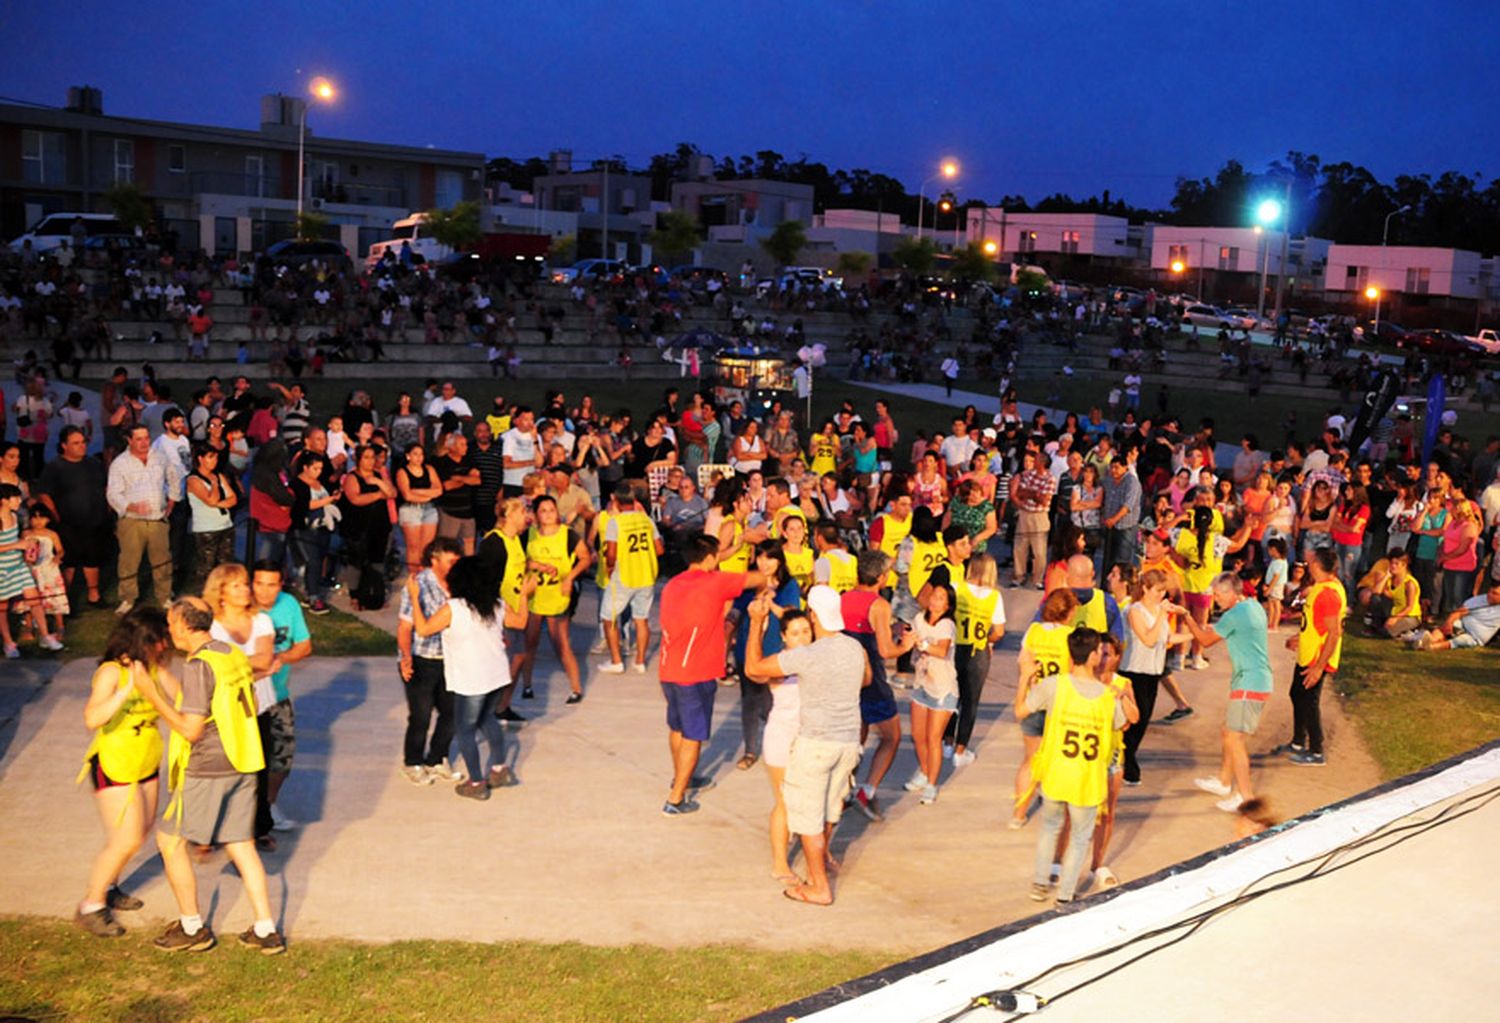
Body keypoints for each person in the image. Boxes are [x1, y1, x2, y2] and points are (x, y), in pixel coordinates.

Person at [130, 597, 285, 955]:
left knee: (169, 842)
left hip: (209, 767)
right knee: (241, 845)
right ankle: (266, 930)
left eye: (170, 623)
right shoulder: (227, 653)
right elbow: (204, 699)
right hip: (243, 760)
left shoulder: (199, 664)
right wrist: (160, 677)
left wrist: (151, 694)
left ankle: (192, 926)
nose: (168, 629)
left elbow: (191, 728)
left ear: (184, 625)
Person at [743, 585, 869, 907]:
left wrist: (756, 623)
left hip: (815, 744)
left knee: (807, 818)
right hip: (849, 742)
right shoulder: (854, 648)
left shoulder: (807, 656)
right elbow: (866, 678)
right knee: (829, 811)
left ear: (813, 616)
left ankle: (818, 887)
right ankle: (818, 869)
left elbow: (754, 669)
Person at [74, 608, 174, 937]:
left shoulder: (155, 668)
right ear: (145, 639)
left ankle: (110, 885)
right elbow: (92, 719)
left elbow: (180, 697)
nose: (165, 645)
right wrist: (127, 689)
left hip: (146, 760)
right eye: (161, 638)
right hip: (114, 764)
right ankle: (91, 904)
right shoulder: (111, 672)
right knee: (126, 838)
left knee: (139, 833)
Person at [405, 555, 535, 799]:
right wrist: (524, 595)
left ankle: (476, 783)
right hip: (497, 675)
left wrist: (414, 596)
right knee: (487, 720)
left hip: (471, 679)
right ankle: (499, 769)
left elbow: (422, 630)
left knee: (465, 729)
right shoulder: (495, 604)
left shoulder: (454, 608)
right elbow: (520, 621)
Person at [656, 534, 762, 815]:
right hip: (697, 671)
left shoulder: (673, 585)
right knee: (694, 734)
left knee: (677, 728)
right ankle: (676, 798)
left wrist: (733, 547)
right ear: (710, 558)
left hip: (669, 668)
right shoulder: (716, 582)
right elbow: (755, 578)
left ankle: (682, 776)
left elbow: (711, 562)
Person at [1021, 628, 1126, 904]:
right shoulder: (1106, 696)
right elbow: (1121, 724)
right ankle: (1066, 895)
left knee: (1050, 828)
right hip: (1087, 779)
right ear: (1093, 656)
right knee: (1080, 838)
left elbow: (1021, 711)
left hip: (1056, 772)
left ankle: (1039, 884)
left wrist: (1024, 677)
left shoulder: (1055, 685)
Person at [1176, 571, 1274, 810]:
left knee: (1234, 739)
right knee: (1228, 733)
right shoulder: (1253, 606)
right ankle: (1223, 781)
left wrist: (1186, 616)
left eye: (1218, 595)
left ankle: (1245, 796)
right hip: (1255, 680)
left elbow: (1205, 640)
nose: (1215, 599)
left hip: (1249, 683)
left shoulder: (1235, 614)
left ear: (1231, 592)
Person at [744, 607, 812, 885]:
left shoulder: (818, 658)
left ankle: (817, 856)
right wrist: (756, 624)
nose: (802, 638)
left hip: (810, 739)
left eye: (806, 631)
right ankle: (780, 864)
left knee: (810, 802)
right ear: (784, 637)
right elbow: (752, 670)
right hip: (782, 739)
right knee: (784, 802)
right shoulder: (780, 663)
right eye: (795, 633)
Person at [395, 538, 464, 785]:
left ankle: (436, 758)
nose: (456, 565)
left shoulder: (459, 583)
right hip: (422, 659)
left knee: (452, 712)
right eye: (451, 561)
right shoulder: (418, 585)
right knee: (421, 715)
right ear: (434, 560)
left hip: (451, 660)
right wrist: (405, 657)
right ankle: (412, 762)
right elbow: (405, 626)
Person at [729, 540, 802, 771]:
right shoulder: (748, 584)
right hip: (747, 649)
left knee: (776, 703)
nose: (764, 562)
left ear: (779, 560)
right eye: (760, 557)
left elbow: (790, 616)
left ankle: (786, 747)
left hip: (776, 653)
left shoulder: (788, 586)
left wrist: (769, 602)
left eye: (769, 557)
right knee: (750, 701)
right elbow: (735, 613)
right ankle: (751, 750)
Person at [1268, 548, 1344, 767]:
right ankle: (1299, 742)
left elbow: (1334, 632)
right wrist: (1299, 638)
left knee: (1309, 702)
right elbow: (1316, 624)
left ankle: (1317, 750)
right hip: (1307, 653)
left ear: (1317, 566)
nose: (1307, 565)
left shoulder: (1327, 594)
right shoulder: (1325, 587)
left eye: (1311, 562)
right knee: (1297, 694)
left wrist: (1319, 667)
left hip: (1316, 658)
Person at [250, 562, 312, 836]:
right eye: (259, 583)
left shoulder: (289, 605)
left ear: (281, 584)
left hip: (277, 695)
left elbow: (304, 645)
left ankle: (268, 805)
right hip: (244, 699)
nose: (265, 591)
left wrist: (281, 658)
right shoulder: (242, 609)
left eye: (272, 584)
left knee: (282, 759)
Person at [1012, 587, 1078, 828]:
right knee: (1054, 761)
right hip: (1057, 704)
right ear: (1068, 612)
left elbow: (1023, 662)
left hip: (1032, 699)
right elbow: (1072, 672)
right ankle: (1054, 812)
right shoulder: (1070, 636)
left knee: (1029, 759)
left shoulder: (1034, 630)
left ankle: (1018, 814)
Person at [518, 495, 590, 702]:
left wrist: (570, 578)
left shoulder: (568, 535)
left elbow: (585, 558)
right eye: (544, 510)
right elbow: (519, 561)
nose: (549, 514)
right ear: (536, 515)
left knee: (561, 643)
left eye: (552, 510)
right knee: (530, 642)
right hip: (533, 595)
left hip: (558, 595)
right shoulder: (528, 535)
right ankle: (527, 685)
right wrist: (535, 566)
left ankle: (576, 688)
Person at [35, 425, 108, 607]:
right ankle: (64, 600)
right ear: (64, 445)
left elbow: (104, 487)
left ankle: (94, 595)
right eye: (76, 443)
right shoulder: (55, 467)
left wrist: (106, 510)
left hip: (94, 521)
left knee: (93, 558)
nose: (81, 446)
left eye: (83, 442)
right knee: (69, 562)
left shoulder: (93, 464)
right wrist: (55, 516)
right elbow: (44, 494)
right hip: (68, 524)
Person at [105, 425, 173, 615]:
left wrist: (172, 501)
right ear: (130, 440)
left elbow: (173, 478)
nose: (144, 443)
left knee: (162, 560)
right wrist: (130, 506)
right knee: (129, 561)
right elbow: (113, 493)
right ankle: (127, 598)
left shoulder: (159, 458)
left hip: (157, 518)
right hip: (132, 520)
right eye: (139, 439)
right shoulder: (120, 463)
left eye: (146, 438)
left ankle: (165, 595)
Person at [597, 484, 664, 675]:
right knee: (641, 619)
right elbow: (659, 549)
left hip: (624, 576)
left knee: (608, 618)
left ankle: (616, 661)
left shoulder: (615, 523)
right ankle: (640, 661)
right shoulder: (646, 520)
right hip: (647, 575)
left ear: (616, 502)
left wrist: (610, 568)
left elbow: (611, 554)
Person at [947, 554, 1007, 767]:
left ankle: (946, 740)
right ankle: (960, 749)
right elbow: (999, 631)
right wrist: (986, 640)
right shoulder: (994, 596)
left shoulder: (956, 587)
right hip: (977, 650)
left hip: (954, 646)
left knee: (950, 695)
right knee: (970, 701)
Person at [1117, 568, 1174, 786]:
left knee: (1144, 719)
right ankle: (1128, 764)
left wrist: (1205, 631)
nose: (1162, 595)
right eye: (1158, 591)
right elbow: (1148, 639)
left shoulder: (1158, 612)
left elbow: (1166, 638)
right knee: (1134, 720)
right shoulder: (1135, 611)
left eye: (1163, 591)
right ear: (1145, 589)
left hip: (1153, 672)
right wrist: (1162, 614)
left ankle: (1126, 759)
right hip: (1134, 671)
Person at [908, 582, 959, 805]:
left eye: (940, 598)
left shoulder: (946, 625)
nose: (934, 600)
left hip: (943, 688)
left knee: (933, 738)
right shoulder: (919, 619)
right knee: (918, 735)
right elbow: (911, 639)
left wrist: (923, 644)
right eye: (933, 596)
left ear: (947, 605)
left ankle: (931, 784)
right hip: (921, 683)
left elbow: (942, 650)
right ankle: (925, 771)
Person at [0, 483, 62, 656]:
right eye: (15, 498)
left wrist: (28, 547)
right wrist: (16, 545)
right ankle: (8, 643)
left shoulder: (14, 516)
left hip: (18, 565)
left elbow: (21, 539)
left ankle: (45, 635)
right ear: (4, 500)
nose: (19, 500)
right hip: (2, 568)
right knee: (2, 607)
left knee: (34, 599)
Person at [185, 443, 237, 591]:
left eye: (216, 457)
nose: (214, 461)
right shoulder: (194, 480)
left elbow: (233, 498)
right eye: (210, 457)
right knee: (206, 566)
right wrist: (214, 484)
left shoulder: (219, 475)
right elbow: (210, 499)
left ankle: (224, 593)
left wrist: (220, 504)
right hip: (206, 529)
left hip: (225, 524)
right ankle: (205, 596)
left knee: (225, 564)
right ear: (200, 459)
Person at [395, 442, 443, 577]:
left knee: (426, 547)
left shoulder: (429, 469)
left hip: (429, 509)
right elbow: (407, 494)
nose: (419, 457)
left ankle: (424, 575)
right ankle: (413, 576)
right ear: (408, 456)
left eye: (421, 454)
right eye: (415, 454)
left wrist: (418, 492)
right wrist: (428, 494)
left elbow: (439, 490)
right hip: (410, 510)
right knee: (413, 547)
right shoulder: (402, 472)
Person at [1410, 581, 1500, 651]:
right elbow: (1459, 612)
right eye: (1489, 592)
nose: (1489, 595)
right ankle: (1429, 640)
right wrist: (1449, 622)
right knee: (1446, 627)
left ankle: (1429, 646)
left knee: (1458, 641)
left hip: (1475, 636)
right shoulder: (1479, 599)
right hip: (1463, 624)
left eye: (1495, 594)